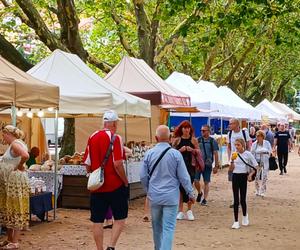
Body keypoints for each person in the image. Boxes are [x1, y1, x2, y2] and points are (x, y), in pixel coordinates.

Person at [140, 125, 195, 250]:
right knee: (168, 228)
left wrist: (148, 190)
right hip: (171, 196)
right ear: (170, 138)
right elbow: (184, 177)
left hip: (155, 195)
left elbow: (143, 176)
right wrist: (190, 193)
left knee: (156, 228)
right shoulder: (175, 154)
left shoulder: (149, 154)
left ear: (156, 138)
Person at [83, 110, 128, 250]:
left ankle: (99, 248)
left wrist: (92, 174)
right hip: (115, 185)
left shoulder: (93, 136)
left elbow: (87, 163)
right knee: (120, 218)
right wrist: (125, 181)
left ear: (104, 122)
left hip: (98, 186)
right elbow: (118, 164)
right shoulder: (116, 138)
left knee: (97, 220)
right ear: (114, 123)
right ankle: (111, 246)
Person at [0, 125, 29, 249]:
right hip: (11, 181)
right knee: (10, 208)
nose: (3, 138)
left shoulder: (15, 144)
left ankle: (15, 241)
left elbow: (25, 155)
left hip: (14, 181)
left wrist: (19, 166)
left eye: (3, 135)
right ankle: (10, 239)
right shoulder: (17, 143)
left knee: (15, 208)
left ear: (8, 134)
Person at [172, 120, 199, 221]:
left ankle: (189, 210)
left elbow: (198, 152)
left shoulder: (193, 140)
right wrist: (180, 150)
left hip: (190, 166)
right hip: (179, 166)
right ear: (181, 129)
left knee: (189, 187)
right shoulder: (177, 140)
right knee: (180, 188)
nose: (186, 130)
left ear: (190, 129)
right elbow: (171, 152)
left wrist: (192, 150)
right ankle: (180, 211)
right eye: (184, 128)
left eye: (188, 128)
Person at [230, 138, 258, 229]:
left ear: (243, 145)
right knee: (236, 199)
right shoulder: (234, 154)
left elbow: (256, 166)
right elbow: (231, 169)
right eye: (235, 145)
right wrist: (232, 161)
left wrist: (250, 174)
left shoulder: (248, 154)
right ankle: (236, 221)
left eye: (238, 145)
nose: (236, 147)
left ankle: (245, 216)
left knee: (242, 199)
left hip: (243, 176)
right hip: (235, 176)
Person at [227, 119, 251, 208]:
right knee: (233, 179)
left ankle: (242, 199)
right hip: (234, 159)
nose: (230, 125)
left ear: (237, 124)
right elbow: (229, 147)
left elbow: (248, 145)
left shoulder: (244, 133)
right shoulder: (229, 134)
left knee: (242, 180)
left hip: (243, 160)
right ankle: (235, 200)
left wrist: (247, 156)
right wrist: (229, 159)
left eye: (231, 124)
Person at [194, 125, 219, 205]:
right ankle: (199, 192)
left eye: (204, 130)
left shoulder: (212, 141)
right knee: (196, 180)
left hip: (207, 164)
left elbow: (215, 153)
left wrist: (216, 166)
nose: (202, 132)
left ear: (209, 131)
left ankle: (204, 199)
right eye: (201, 130)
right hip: (198, 164)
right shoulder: (198, 140)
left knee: (206, 182)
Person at [251, 130, 272, 197]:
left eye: (259, 136)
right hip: (257, 162)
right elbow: (252, 153)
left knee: (264, 176)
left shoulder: (267, 143)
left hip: (265, 161)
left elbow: (270, 151)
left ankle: (263, 191)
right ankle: (257, 190)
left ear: (262, 137)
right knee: (256, 176)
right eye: (257, 136)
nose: (258, 137)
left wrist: (265, 152)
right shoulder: (254, 144)